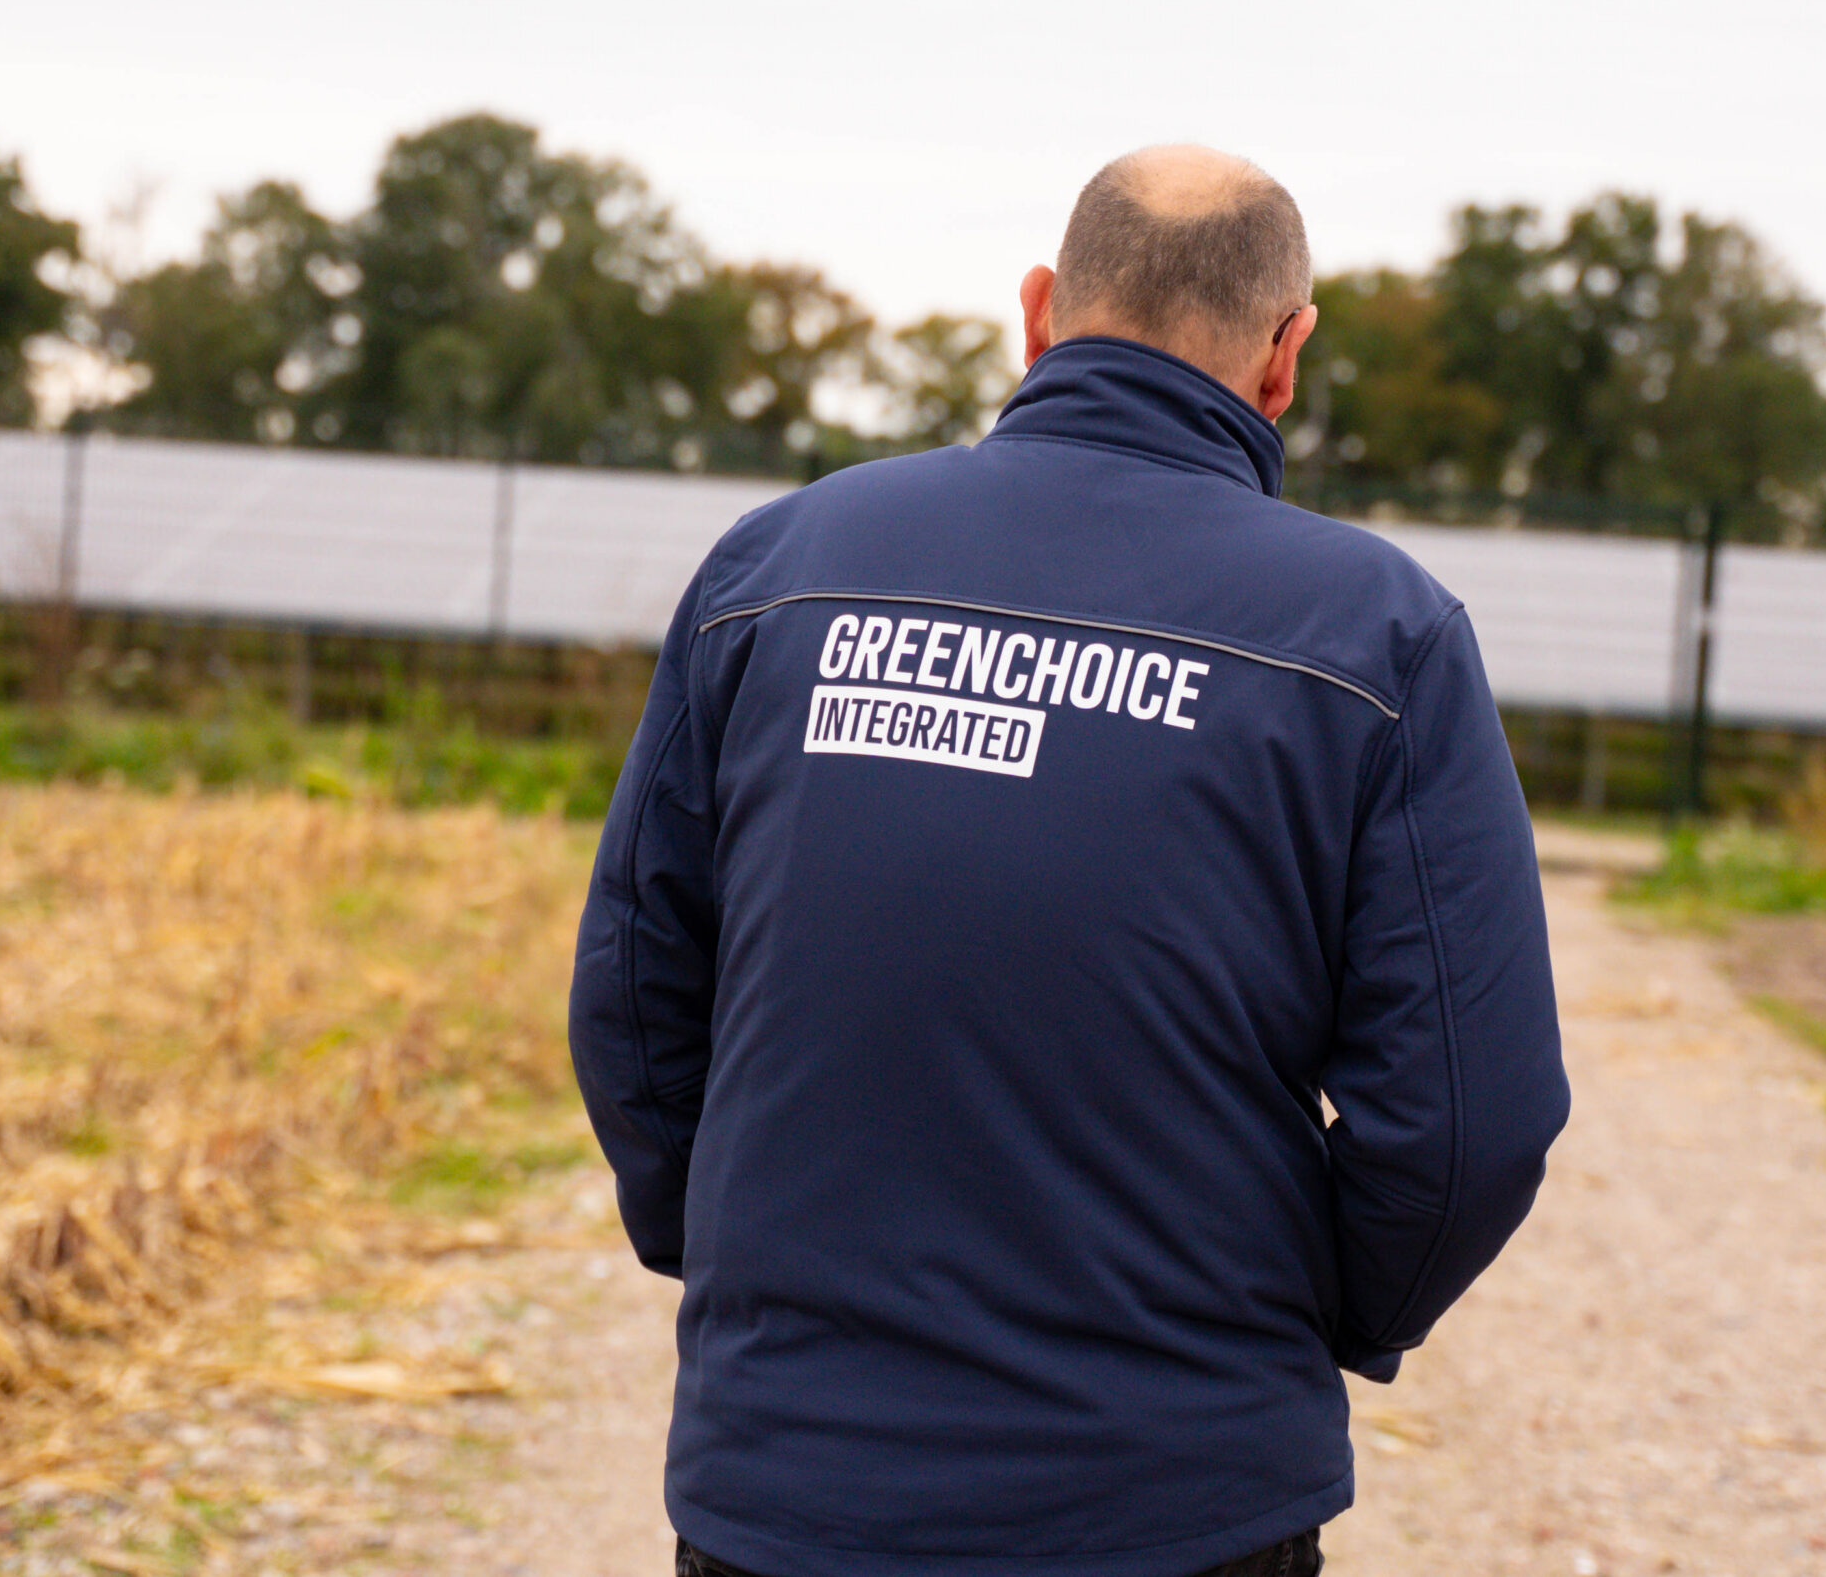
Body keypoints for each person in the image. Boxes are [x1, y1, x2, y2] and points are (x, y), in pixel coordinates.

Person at [570, 145, 1570, 1577]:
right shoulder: (1376, 634)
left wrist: (752, 1283)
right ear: (1286, 357)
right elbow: (1472, 1124)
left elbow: (634, 993)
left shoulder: (777, 569)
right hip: (1178, 1503)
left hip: (789, 1488)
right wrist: (1313, 1318)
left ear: (1038, 310)